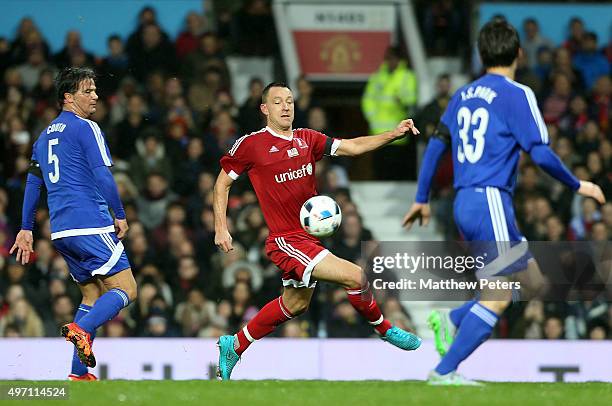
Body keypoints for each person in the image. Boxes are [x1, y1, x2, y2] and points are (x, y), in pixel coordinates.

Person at [402, 20, 605, 385]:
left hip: (469, 201)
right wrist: (579, 185)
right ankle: (443, 372)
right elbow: (540, 155)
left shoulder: (462, 94)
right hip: (489, 199)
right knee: (497, 296)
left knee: (532, 282)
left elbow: (435, 144)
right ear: (519, 54)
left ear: (483, 55)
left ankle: (452, 320)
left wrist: (421, 198)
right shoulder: (517, 93)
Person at [214, 82, 422, 380]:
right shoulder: (251, 145)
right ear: (264, 109)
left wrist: (392, 134)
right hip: (286, 239)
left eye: (289, 101)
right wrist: (221, 226)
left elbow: (351, 147)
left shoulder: (308, 139)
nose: (286, 107)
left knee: (295, 304)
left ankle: (234, 344)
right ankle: (384, 329)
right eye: (277, 102)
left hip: (307, 238)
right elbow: (222, 183)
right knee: (356, 275)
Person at [10, 67, 138, 381]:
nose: (95, 96)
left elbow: (32, 184)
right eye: (88, 91)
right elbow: (102, 174)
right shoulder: (85, 127)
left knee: (92, 296)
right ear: (68, 97)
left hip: (62, 231)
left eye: (95, 90)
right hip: (91, 224)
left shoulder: (44, 136)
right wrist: (119, 214)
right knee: (128, 289)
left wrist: (26, 228)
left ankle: (78, 374)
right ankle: (81, 328)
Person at [362, 46, 418, 180]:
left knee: (397, 173)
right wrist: (373, 117)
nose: (390, 62)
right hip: (378, 133)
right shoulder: (377, 77)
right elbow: (367, 100)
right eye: (388, 59)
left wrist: (402, 100)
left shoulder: (407, 76)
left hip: (398, 134)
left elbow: (411, 101)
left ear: (399, 60)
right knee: (379, 172)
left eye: (393, 59)